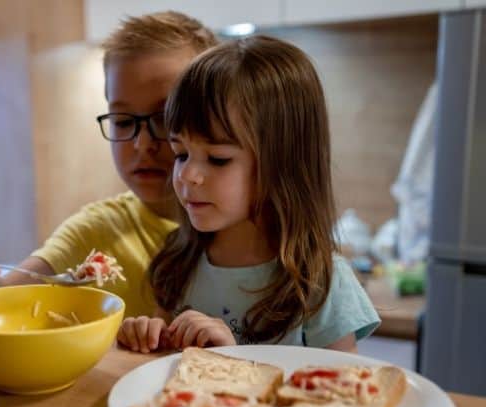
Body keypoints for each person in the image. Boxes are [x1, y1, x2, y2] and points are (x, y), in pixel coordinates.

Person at [0, 11, 218, 318]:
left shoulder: (257, 228)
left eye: (163, 118)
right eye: (121, 120)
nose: (141, 144)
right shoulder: (97, 231)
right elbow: (4, 296)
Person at [117, 36, 380, 353]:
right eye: (181, 153)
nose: (187, 174)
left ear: (283, 164)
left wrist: (234, 359)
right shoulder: (179, 258)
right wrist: (150, 337)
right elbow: (167, 365)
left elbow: (340, 394)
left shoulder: (321, 282)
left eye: (218, 159)